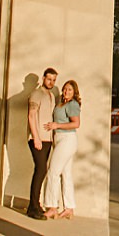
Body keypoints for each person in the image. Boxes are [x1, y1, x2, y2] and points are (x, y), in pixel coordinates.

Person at [43, 78, 82, 221]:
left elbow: (76, 124)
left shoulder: (73, 104)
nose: (66, 91)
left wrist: (56, 126)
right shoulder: (61, 103)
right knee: (66, 174)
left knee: (53, 172)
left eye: (70, 89)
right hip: (60, 139)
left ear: (74, 92)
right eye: (65, 89)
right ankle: (69, 208)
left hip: (67, 140)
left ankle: (52, 207)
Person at [26, 67, 58, 220]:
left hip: (48, 139)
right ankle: (33, 207)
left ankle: (35, 205)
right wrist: (36, 137)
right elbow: (31, 116)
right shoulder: (36, 94)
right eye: (49, 79)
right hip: (37, 139)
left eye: (53, 80)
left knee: (41, 171)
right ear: (43, 78)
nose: (51, 82)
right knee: (41, 170)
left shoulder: (51, 95)